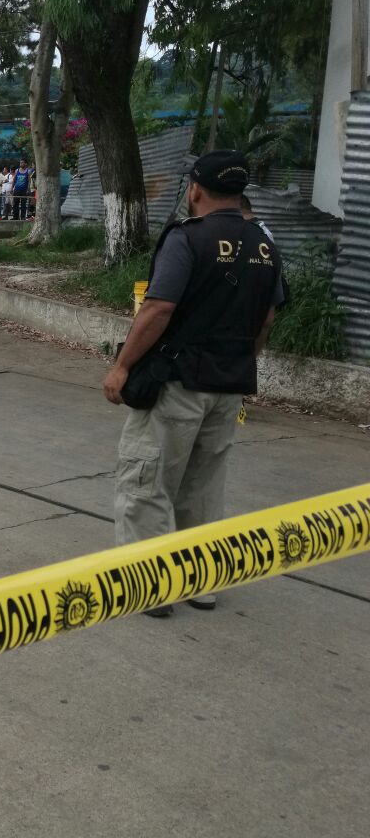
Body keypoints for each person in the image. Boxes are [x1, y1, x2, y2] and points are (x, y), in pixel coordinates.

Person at [101, 150, 284, 618]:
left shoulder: (189, 238)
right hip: (229, 385)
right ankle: (200, 584)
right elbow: (266, 317)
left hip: (177, 384)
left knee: (148, 481)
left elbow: (158, 308)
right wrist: (243, 363)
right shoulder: (265, 244)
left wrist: (122, 366)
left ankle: (148, 588)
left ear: (195, 190)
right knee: (203, 487)